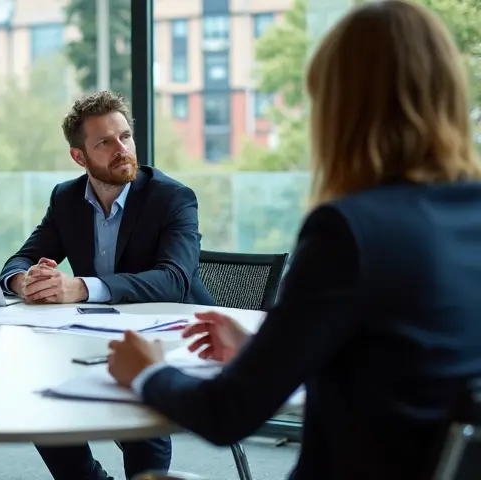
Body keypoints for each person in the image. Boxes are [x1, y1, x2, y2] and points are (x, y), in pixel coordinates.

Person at [106, 1, 481, 478]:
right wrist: (266, 351)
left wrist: (147, 372)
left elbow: (226, 415)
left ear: (340, 108)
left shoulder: (349, 230)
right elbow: (407, 377)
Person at [0, 91, 212, 479]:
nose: (122, 148)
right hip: (93, 335)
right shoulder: (66, 198)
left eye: (125, 136)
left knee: (133, 403)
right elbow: (18, 260)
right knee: (43, 398)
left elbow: (174, 280)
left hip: (169, 336)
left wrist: (80, 287)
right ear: (79, 157)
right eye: (105, 142)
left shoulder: (172, 198)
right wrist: (23, 282)